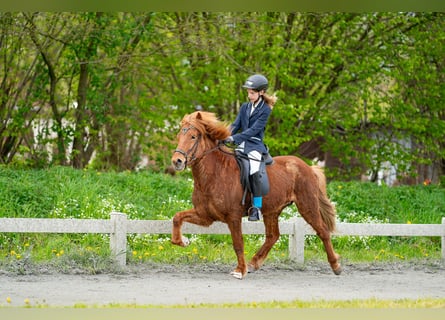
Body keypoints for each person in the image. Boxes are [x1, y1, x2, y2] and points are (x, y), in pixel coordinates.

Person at [224, 74, 277, 221]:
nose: (249, 95)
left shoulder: (265, 110)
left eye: (252, 93)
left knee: (254, 170)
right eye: (248, 92)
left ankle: (256, 207)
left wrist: (234, 138)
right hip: (241, 144)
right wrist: (224, 135)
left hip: (254, 145)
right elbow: (236, 125)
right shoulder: (244, 107)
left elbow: (253, 130)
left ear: (261, 92)